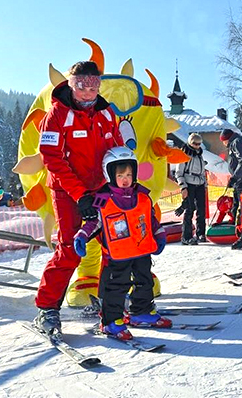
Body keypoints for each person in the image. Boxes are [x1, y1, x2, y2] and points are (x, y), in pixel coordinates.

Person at [33, 60, 124, 335]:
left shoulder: (107, 113)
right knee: (70, 249)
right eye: (82, 85)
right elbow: (53, 160)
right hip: (67, 190)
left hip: (101, 188)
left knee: (116, 245)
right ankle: (47, 308)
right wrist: (79, 194)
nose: (88, 92)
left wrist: (121, 185)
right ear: (71, 85)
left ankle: (111, 302)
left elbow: (117, 149)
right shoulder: (57, 116)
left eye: (94, 86)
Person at [72, 147, 169, 341]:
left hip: (141, 250)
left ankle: (141, 311)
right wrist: (81, 236)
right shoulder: (103, 200)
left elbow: (150, 220)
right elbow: (95, 222)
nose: (125, 179)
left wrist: (159, 235)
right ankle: (111, 321)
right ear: (109, 174)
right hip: (117, 255)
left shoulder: (142, 196)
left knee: (145, 281)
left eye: (129, 174)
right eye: (120, 175)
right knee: (116, 286)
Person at [219, 128, 242, 249]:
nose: (223, 144)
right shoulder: (235, 143)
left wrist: (235, 177)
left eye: (223, 141)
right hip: (240, 180)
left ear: (226, 139)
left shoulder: (237, 143)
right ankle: (240, 233)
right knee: (237, 207)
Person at [175, 133, 208, 245]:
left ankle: (200, 233)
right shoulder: (184, 154)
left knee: (201, 209)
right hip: (189, 183)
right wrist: (183, 186)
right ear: (190, 142)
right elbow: (179, 173)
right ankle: (186, 236)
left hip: (200, 183)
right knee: (189, 209)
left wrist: (205, 183)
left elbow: (202, 170)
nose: (197, 146)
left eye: (199, 144)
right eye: (195, 143)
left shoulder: (199, 155)